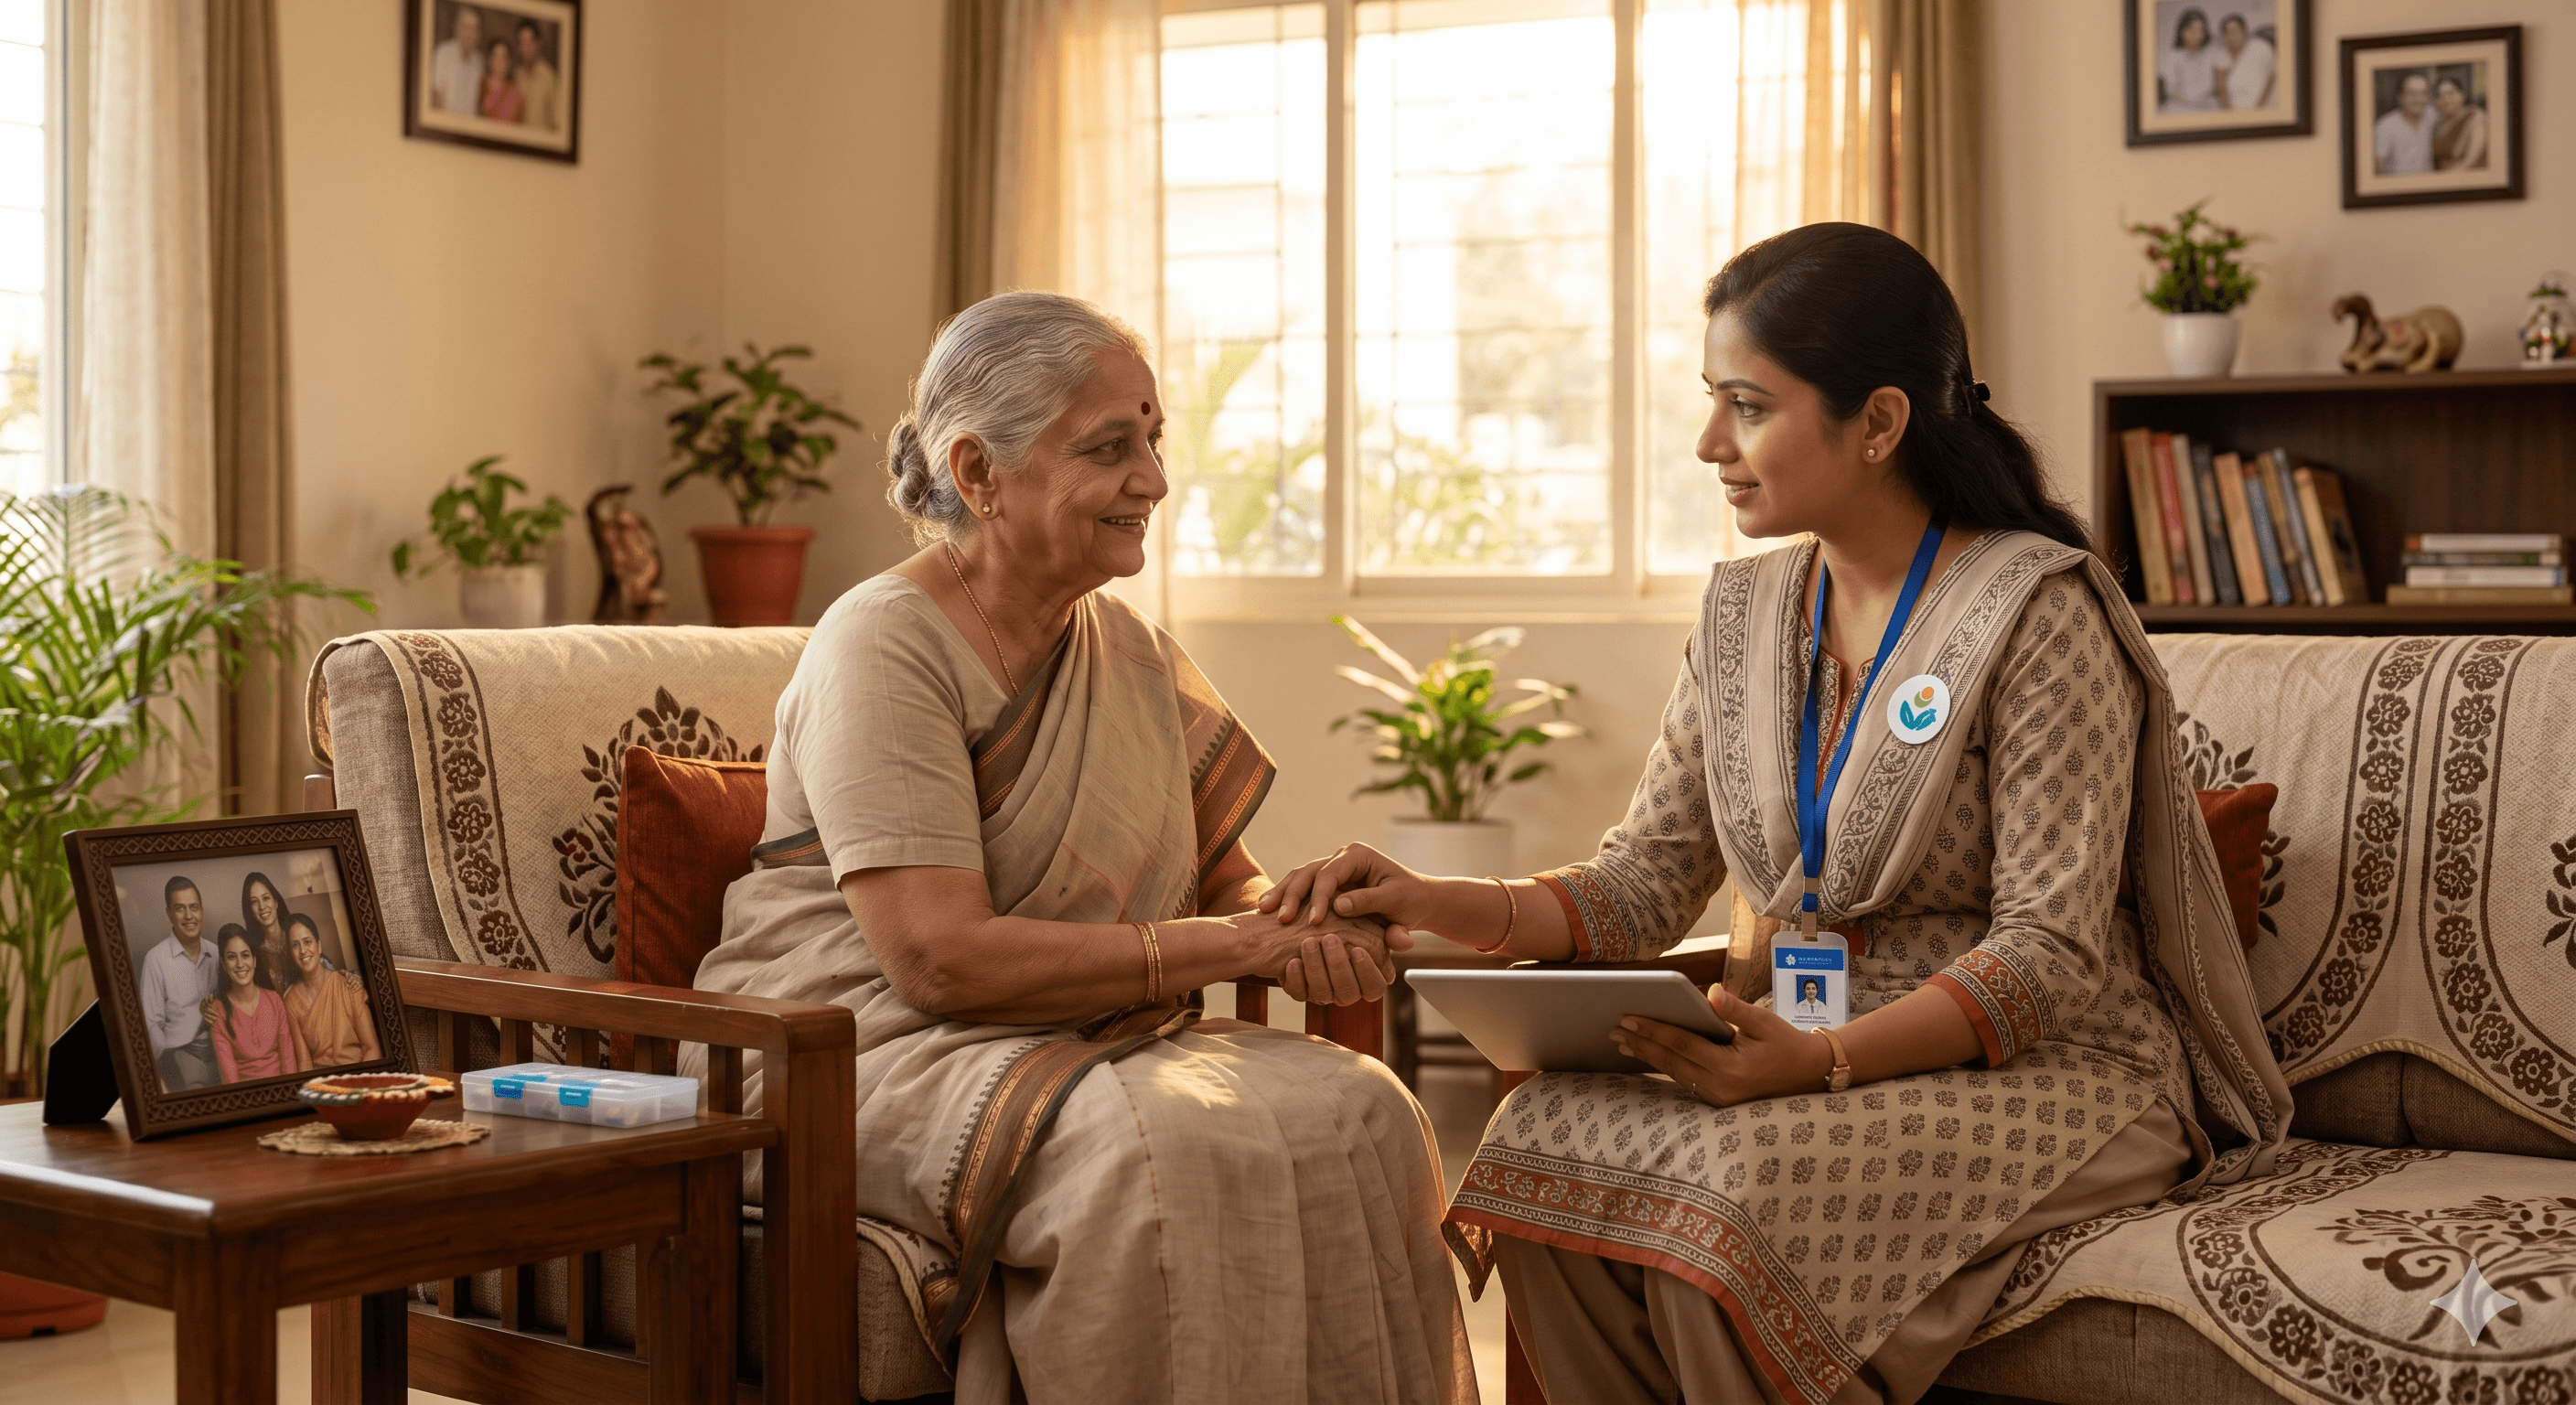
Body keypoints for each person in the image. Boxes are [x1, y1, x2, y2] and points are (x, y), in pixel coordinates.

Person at [1264, 223, 2290, 1405]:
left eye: (1747, 406)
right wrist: (1427, 900)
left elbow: (2049, 956)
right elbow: (1643, 882)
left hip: (2062, 1072)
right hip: (1794, 1050)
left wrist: (1827, 1060)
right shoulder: (1744, 620)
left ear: (1881, 423)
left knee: (1726, 1208)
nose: (1710, 444)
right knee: (1542, 1151)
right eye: (1712, 402)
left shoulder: (2038, 615)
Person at [686, 290, 1473, 1404]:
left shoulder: (1128, 651)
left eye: (1152, 438)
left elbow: (1218, 881)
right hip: (858, 1045)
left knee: (1367, 1112)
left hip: (1082, 1034)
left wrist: (1300, 923)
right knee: (1156, 1155)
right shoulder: (883, 643)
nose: (1151, 478)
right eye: (1110, 447)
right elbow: (938, 961)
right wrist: (1239, 947)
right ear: (978, 474)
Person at [138, 877, 220, 1092]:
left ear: (201, 910)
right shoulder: (155, 960)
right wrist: (168, 1065)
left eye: (194, 907)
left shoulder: (218, 954)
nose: (189, 916)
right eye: (180, 909)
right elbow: (150, 1024)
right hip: (180, 1057)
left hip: (221, 1051)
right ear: (169, 914)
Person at [282, 913, 381, 1069]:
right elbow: (305, 1062)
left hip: (359, 1075)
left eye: (307, 942)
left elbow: (372, 1048)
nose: (302, 951)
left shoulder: (349, 985)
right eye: (295, 945)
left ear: (319, 946)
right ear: (291, 953)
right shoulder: (291, 1001)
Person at [208, 926, 299, 1084]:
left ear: (254, 960)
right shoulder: (218, 1011)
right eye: (231, 957)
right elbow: (230, 1079)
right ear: (223, 963)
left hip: (283, 1088)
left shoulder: (274, 1000)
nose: (240, 964)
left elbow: (288, 1062)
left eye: (245, 955)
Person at [2155, 8, 2220, 113]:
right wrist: (2193, 101)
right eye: (2192, 30)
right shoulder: (2172, 57)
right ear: (2182, 31)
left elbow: (2213, 86)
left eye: (2201, 30)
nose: (2197, 35)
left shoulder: (2211, 55)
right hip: (2178, 109)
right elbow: (2171, 90)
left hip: (2207, 107)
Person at [2376, 70, 2440, 174]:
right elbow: (2376, 168)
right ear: (2401, 97)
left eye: (2423, 93)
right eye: (2411, 93)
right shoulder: (2385, 126)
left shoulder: (2432, 115)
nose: (2418, 99)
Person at [427, 5, 483, 115]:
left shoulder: (479, 62)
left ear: (478, 34)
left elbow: (476, 104)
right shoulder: (443, 53)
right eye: (466, 27)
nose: (470, 34)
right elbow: (437, 97)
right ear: (457, 28)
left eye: (474, 29)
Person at [2215, 14, 2275, 111]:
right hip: (2233, 111)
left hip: (2262, 107)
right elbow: (2220, 89)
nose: (2231, 36)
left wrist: (2258, 108)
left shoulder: (2261, 48)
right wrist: (2230, 112)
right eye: (2227, 33)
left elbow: (2272, 78)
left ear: (2244, 31)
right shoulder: (2221, 55)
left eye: (2235, 31)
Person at [2433, 74, 2489, 170]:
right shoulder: (2438, 125)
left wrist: (2446, 180)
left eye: (2450, 93)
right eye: (2440, 95)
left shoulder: (2476, 118)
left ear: (2462, 95)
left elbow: (2471, 161)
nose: (2446, 100)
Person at [513, 20, 560, 132]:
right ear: (519, 47)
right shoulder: (516, 75)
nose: (527, 48)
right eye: (523, 42)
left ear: (538, 44)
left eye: (530, 42)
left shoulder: (550, 77)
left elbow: (557, 121)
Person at [478, 37, 524, 123]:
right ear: (490, 59)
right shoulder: (480, 86)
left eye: (503, 57)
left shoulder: (515, 91)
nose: (499, 61)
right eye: (496, 56)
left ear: (509, 62)